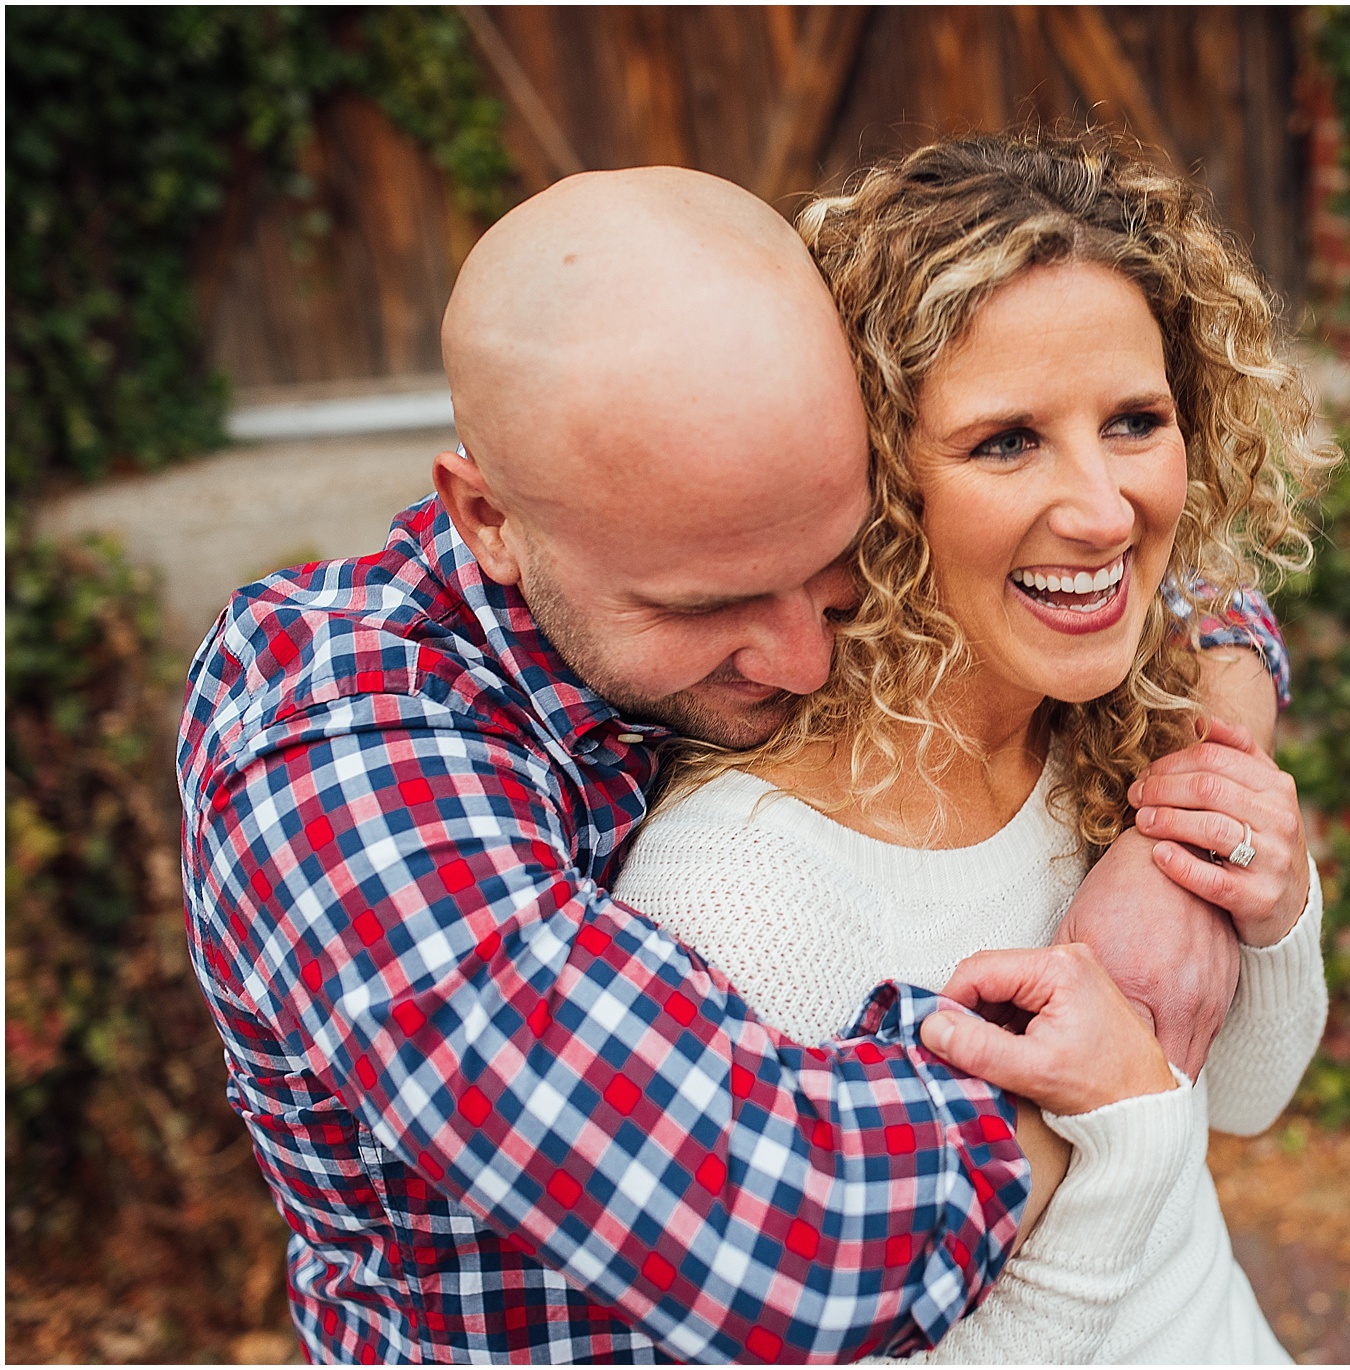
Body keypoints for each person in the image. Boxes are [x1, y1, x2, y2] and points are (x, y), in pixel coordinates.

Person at [175, 164, 1287, 1362]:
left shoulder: (694, 510)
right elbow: (792, 1242)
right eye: (714, 604)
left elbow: (1173, 583)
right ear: (487, 519)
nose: (811, 655)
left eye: (833, 565)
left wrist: (1181, 809)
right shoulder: (334, 754)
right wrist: (1104, 1058)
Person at [613, 131, 1336, 1362]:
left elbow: (1250, 1097)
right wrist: (1119, 1136)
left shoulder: (1120, 715)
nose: (1104, 509)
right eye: (1005, 440)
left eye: (1133, 420)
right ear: (877, 478)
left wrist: (1268, 904)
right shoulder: (742, 894)